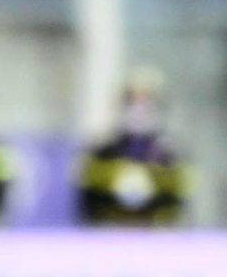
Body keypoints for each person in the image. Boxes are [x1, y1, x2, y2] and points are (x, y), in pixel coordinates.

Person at [78, 72, 190, 227]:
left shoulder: (169, 155)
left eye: (146, 104)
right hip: (111, 233)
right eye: (132, 103)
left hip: (154, 234)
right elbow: (88, 202)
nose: (139, 111)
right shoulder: (103, 150)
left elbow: (178, 203)